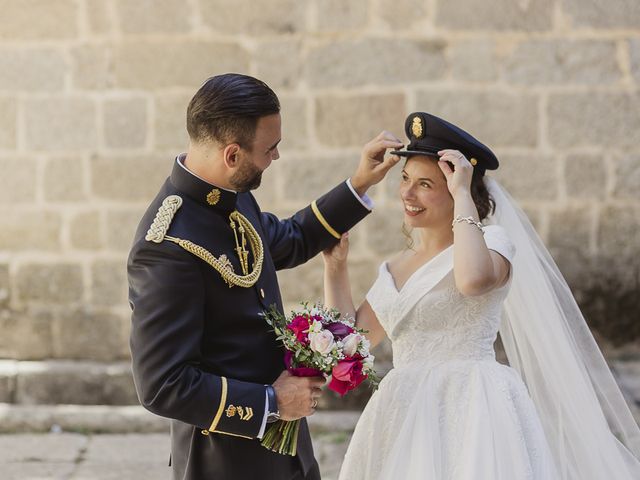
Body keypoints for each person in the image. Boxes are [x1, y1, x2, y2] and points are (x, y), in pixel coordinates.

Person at [322, 112, 640, 479]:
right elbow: (349, 345)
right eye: (406, 179)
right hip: (404, 412)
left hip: (472, 406)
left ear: (459, 189)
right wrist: (336, 268)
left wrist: (462, 194)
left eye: (425, 184)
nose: (407, 194)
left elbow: (471, 280)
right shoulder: (395, 267)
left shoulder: (494, 244)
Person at [127, 73, 403, 480]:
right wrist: (272, 402)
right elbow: (162, 385)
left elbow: (290, 239)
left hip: (289, 452)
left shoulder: (232, 197)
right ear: (232, 155)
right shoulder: (166, 245)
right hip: (225, 461)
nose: (275, 157)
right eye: (269, 149)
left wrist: (359, 182)